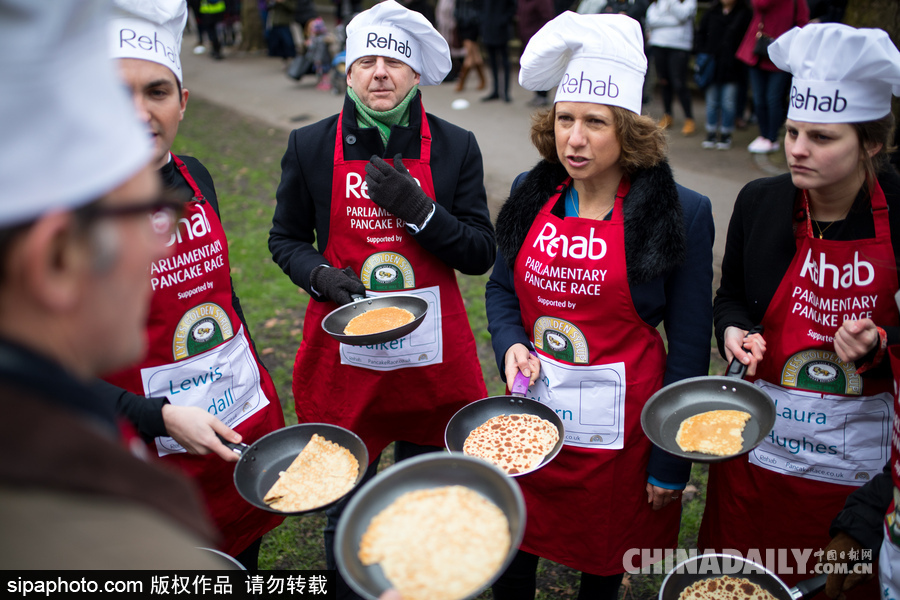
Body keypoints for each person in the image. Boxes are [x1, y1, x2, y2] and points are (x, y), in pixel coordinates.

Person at [269, 0, 495, 596]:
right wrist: (321, 276)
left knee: (428, 500)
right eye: (365, 60)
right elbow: (285, 238)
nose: (379, 73)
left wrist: (420, 211)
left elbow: (478, 253)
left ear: (415, 74)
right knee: (351, 508)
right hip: (348, 360)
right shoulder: (311, 146)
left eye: (394, 62)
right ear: (346, 71)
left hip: (433, 363)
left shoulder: (455, 146)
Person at [485, 12, 714, 600]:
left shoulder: (680, 212)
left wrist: (671, 463)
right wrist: (511, 344)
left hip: (621, 442)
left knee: (602, 566)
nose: (575, 139)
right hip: (531, 424)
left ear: (630, 132)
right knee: (513, 555)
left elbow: (688, 348)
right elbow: (502, 290)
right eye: (565, 120)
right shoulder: (531, 193)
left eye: (595, 123)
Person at [0, 0, 225, 569]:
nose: (159, 242)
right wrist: (155, 414)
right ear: (54, 260)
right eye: (137, 221)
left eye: (156, 91)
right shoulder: (101, 537)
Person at [699, 23, 900, 595]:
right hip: (760, 457)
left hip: (861, 469)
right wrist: (733, 330)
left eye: (821, 136)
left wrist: (882, 342)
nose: (797, 149)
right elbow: (731, 295)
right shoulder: (761, 202)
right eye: (790, 132)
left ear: (871, 144)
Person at [99, 0, 287, 570]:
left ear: (182, 101)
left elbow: (221, 295)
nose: (140, 112)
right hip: (144, 449)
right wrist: (158, 416)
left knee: (242, 562)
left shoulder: (196, 175)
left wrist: (258, 379)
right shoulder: (67, 215)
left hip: (237, 423)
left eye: (157, 91)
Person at [736, 0, 809, 154]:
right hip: (757, 51)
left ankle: (772, 137)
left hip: (781, 55)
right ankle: (763, 135)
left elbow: (802, 23)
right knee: (758, 98)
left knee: (773, 98)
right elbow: (760, 4)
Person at [694, 0, 751, 150]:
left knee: (728, 102)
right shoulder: (711, 12)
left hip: (733, 67)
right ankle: (711, 131)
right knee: (712, 102)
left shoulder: (744, 14)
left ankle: (726, 133)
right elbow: (701, 35)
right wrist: (704, 54)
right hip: (713, 66)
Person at [645, 0, 698, 136]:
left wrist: (671, 3)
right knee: (664, 81)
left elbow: (683, 15)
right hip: (659, 44)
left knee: (679, 83)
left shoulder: (688, 2)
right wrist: (674, 22)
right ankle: (668, 115)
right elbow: (652, 20)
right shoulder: (657, 3)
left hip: (679, 46)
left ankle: (689, 118)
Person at [481, 0, 517, 102]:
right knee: (492, 62)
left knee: (505, 61)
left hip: (501, 30)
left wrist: (503, 20)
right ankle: (495, 90)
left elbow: (512, 7)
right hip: (488, 27)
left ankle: (506, 92)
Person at [453, 0, 487, 91]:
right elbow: (457, 8)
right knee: (475, 55)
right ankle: (483, 81)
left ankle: (461, 82)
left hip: (473, 26)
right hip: (463, 26)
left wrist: (475, 19)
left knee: (470, 56)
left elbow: (481, 8)